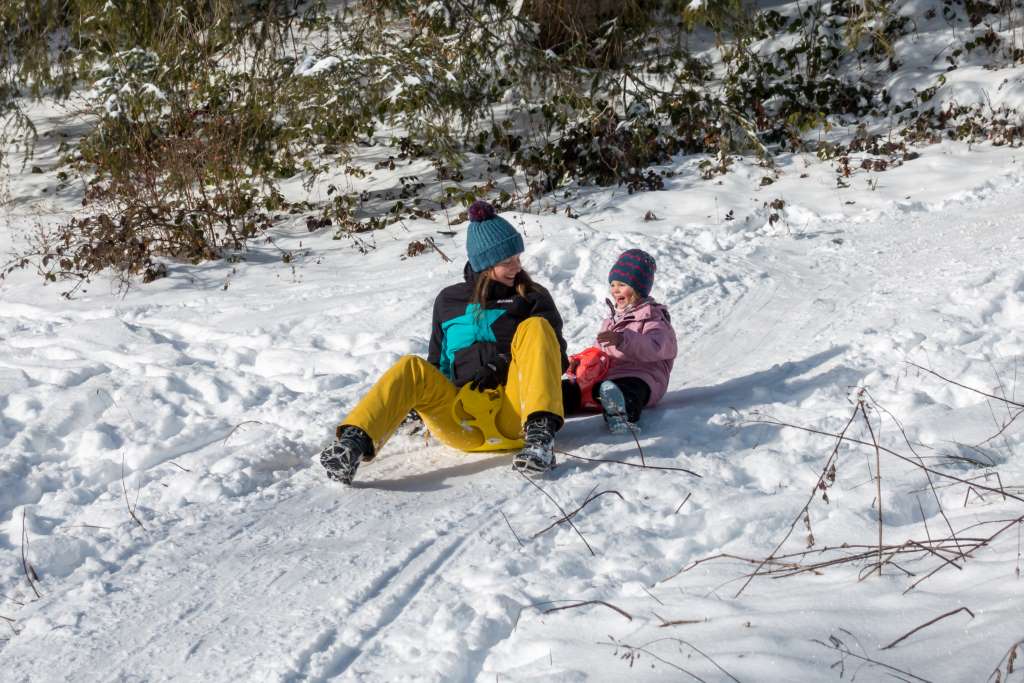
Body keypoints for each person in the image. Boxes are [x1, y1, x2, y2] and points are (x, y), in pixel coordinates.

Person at [319, 200, 569, 484]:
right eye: (507, 261)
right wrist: (416, 409)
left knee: (536, 327)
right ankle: (351, 446)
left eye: (517, 258)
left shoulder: (532, 296)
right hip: (461, 423)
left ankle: (540, 440)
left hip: (515, 418)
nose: (517, 267)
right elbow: (436, 364)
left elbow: (556, 360)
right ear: (485, 265)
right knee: (411, 367)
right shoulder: (449, 300)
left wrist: (505, 363)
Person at [562, 249, 676, 433]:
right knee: (568, 389)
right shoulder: (612, 320)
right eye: (613, 284)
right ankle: (541, 409)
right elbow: (600, 350)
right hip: (606, 378)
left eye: (622, 284)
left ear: (639, 288)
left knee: (626, 390)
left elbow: (658, 346)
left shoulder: (654, 318)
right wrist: (580, 362)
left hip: (641, 377)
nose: (615, 290)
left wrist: (623, 340)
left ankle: (621, 415)